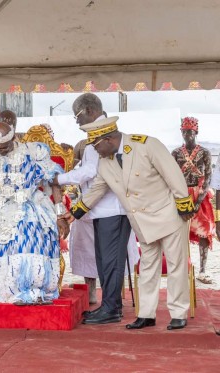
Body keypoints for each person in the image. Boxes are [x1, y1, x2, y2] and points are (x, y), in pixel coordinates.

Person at [67, 116, 194, 330]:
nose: (95, 151)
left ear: (107, 139)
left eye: (95, 146)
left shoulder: (146, 145)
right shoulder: (105, 164)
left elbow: (172, 173)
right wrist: (75, 213)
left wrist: (183, 201)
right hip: (141, 222)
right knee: (147, 267)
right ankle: (146, 314)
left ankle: (178, 312)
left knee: (176, 265)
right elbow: (97, 189)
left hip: (167, 215)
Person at [54, 94, 139, 324]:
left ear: (89, 110)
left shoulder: (101, 133)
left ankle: (111, 309)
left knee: (111, 262)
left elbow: (92, 172)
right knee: (104, 261)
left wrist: (58, 178)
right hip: (101, 210)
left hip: (112, 210)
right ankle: (110, 306)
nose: (76, 122)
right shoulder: (97, 134)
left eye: (77, 116)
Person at [0, 122, 69, 304]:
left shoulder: (33, 152)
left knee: (31, 238)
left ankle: (30, 289)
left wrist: (60, 214)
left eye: (4, 147)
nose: (0, 151)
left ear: (13, 138)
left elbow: (54, 181)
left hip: (30, 204)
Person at [172, 117, 215, 284]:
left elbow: (209, 177)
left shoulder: (205, 152)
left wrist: (199, 200)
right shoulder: (175, 153)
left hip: (200, 194)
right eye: (183, 131)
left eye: (189, 132)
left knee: (204, 232)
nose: (186, 135)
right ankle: (182, 269)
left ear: (195, 132)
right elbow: (171, 176)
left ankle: (203, 271)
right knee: (179, 232)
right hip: (181, 194)